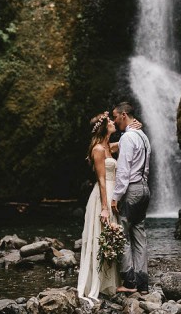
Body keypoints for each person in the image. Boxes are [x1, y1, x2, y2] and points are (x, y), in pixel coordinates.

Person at [76, 110, 142, 304]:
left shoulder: (108, 146)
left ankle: (110, 282)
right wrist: (105, 207)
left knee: (112, 237)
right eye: (110, 121)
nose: (114, 122)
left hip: (114, 196)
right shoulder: (97, 149)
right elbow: (102, 180)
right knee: (101, 235)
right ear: (104, 127)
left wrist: (136, 128)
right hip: (102, 197)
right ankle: (96, 282)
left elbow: (126, 142)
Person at [111, 102, 151, 294]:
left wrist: (115, 197)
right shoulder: (144, 137)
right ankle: (143, 285)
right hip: (145, 189)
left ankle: (129, 282)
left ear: (124, 115)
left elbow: (124, 170)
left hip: (132, 190)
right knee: (139, 236)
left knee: (122, 233)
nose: (114, 120)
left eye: (115, 117)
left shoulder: (128, 137)